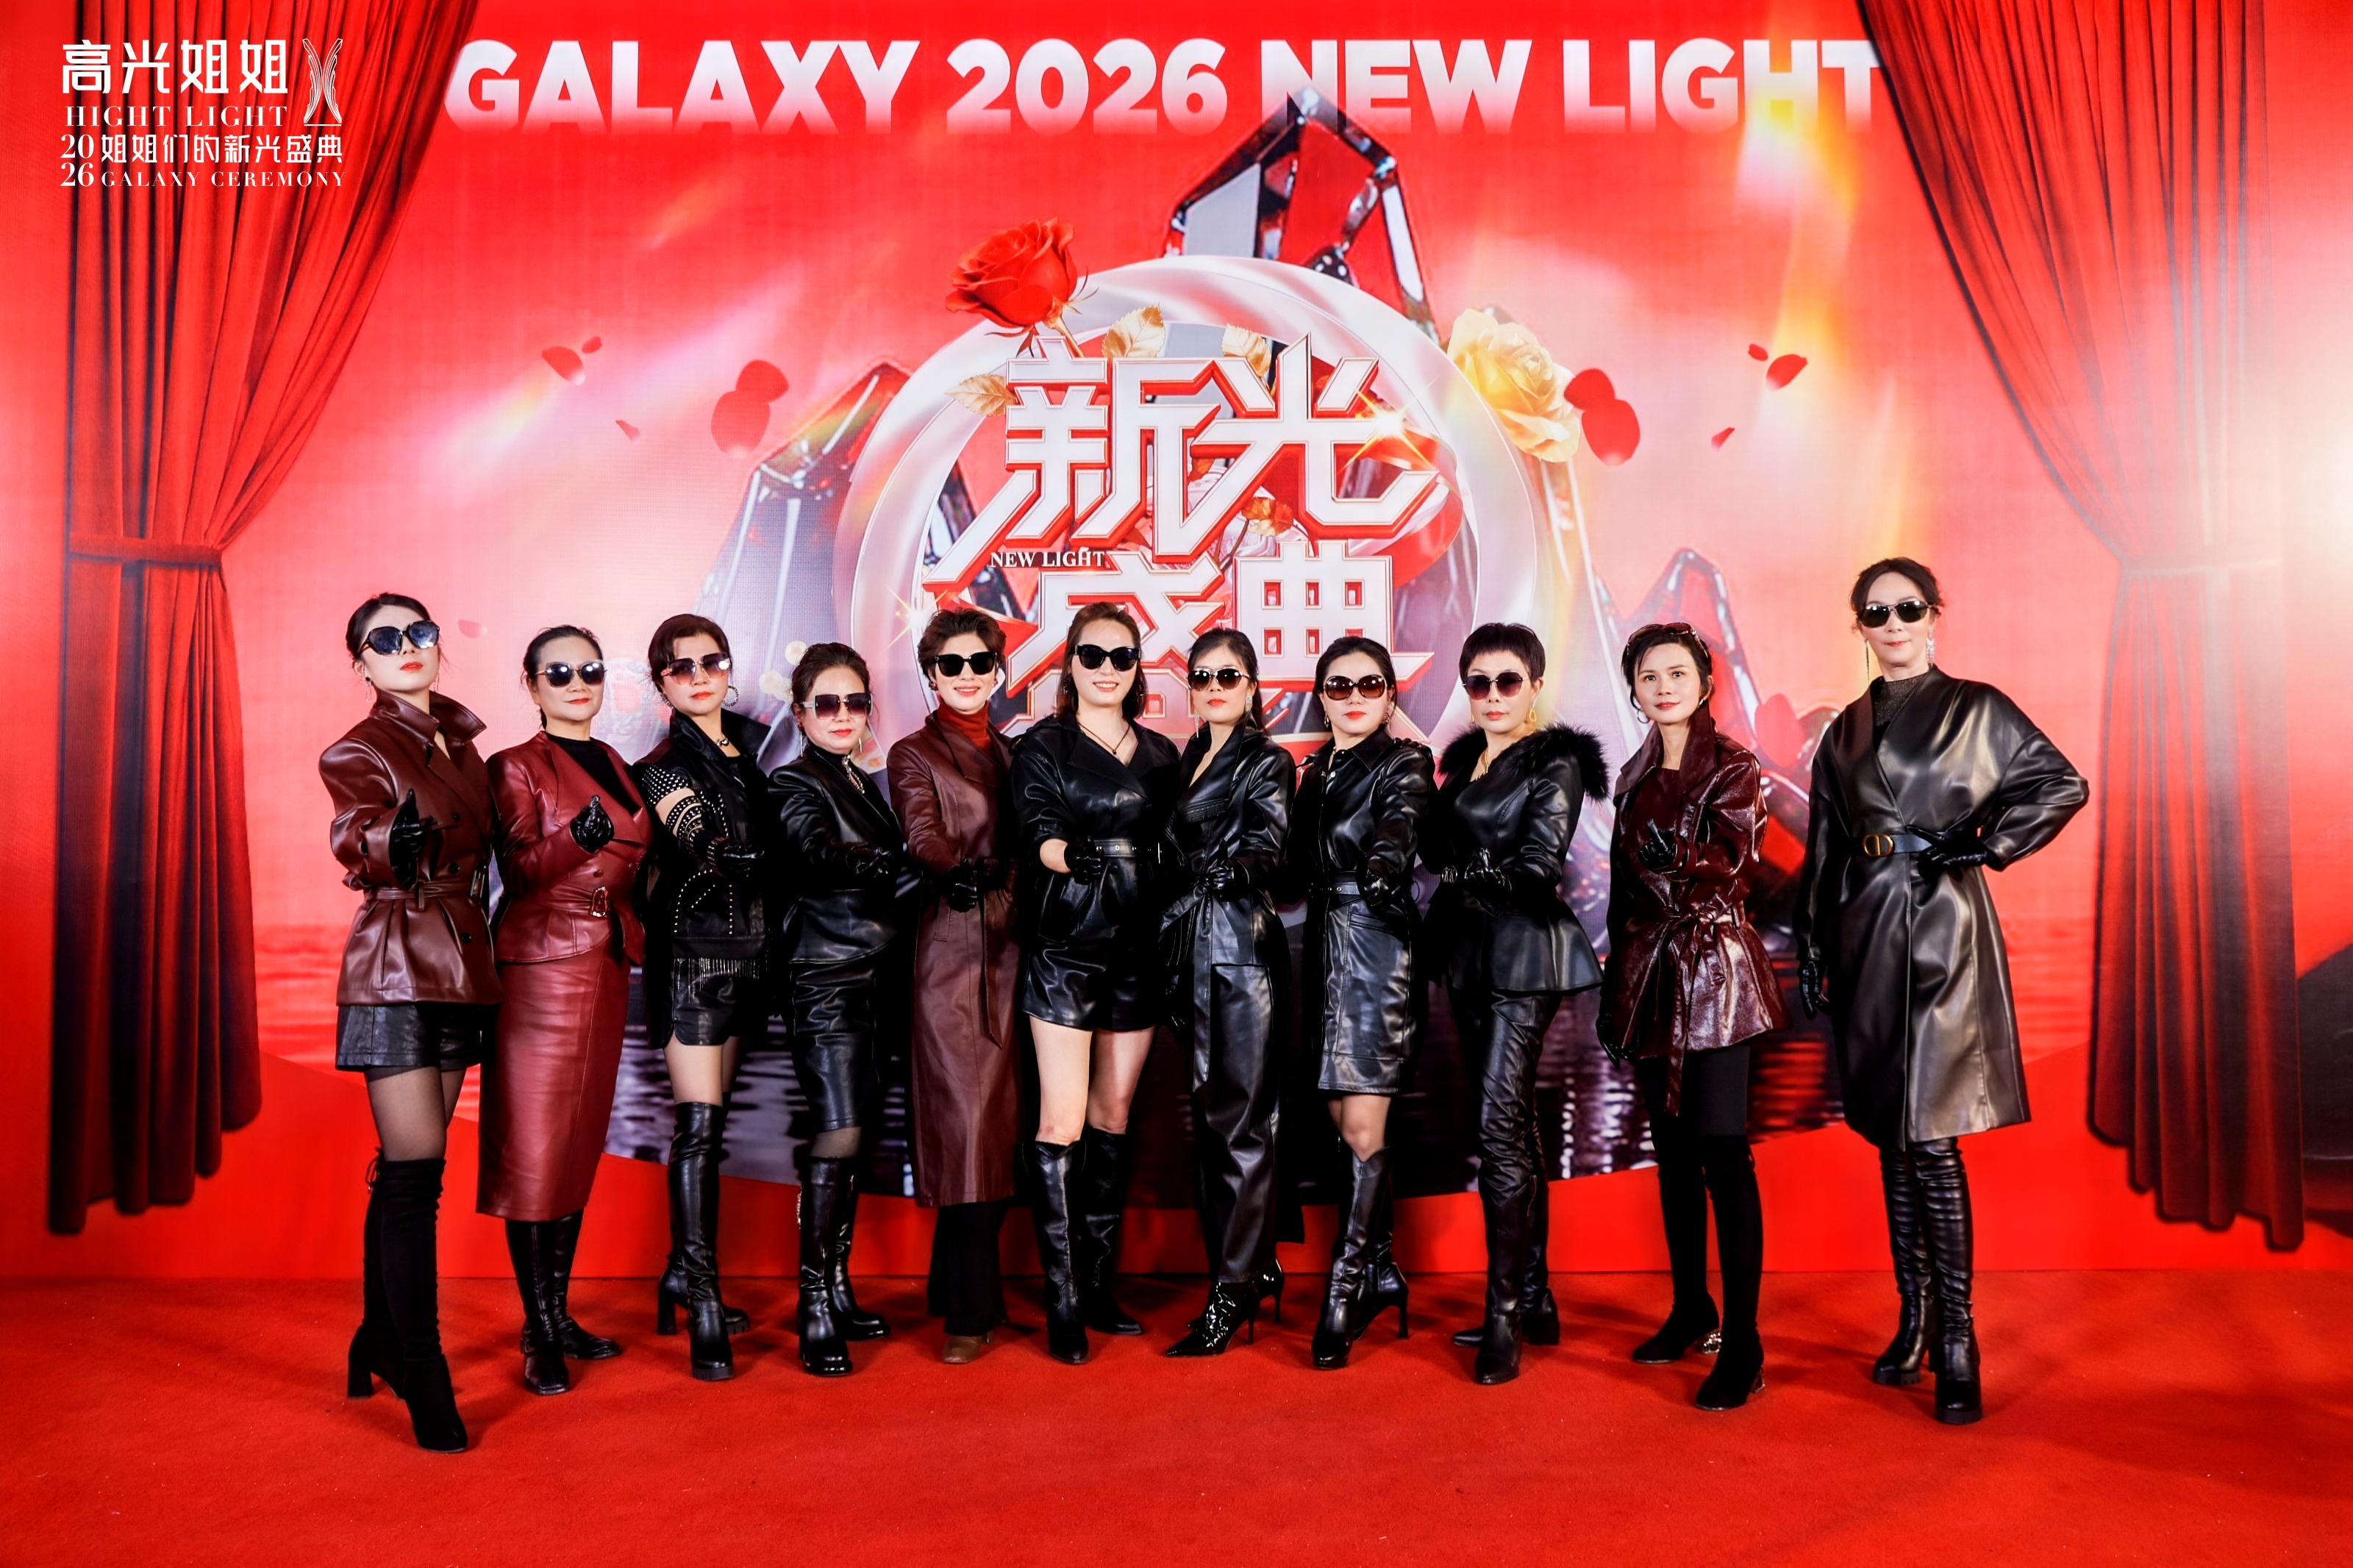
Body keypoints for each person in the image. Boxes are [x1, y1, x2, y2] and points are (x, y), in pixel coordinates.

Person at [1794, 558, 2085, 1425]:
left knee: (1929, 1137)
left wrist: (1986, 844)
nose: (1891, 623)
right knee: (1890, 1134)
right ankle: (1913, 1319)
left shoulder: (1975, 707)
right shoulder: (1841, 731)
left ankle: (1958, 1337)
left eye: (1906, 608)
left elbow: (2059, 783)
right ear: (1857, 626)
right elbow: (1823, 843)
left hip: (1939, 923)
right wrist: (1811, 943)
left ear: (1933, 616)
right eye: (1874, 612)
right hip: (1861, 926)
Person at [323, 593, 499, 1453]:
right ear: (360, 663)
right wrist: (388, 838)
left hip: (460, 964)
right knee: (415, 1170)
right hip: (393, 965)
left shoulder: (465, 746)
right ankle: (421, 1365)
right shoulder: (358, 748)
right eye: (384, 639)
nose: (406, 647)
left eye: (418, 633)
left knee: (409, 1174)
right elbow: (353, 833)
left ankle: (377, 1337)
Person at [1599, 623, 1788, 1411]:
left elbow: (1735, 864)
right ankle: (1690, 1308)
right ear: (1634, 691)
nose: (1664, 687)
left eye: (1678, 673)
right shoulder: (1633, 771)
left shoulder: (1735, 766)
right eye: (1649, 676)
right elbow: (1622, 890)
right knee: (1672, 1154)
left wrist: (1673, 858)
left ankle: (1742, 1343)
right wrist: (1613, 987)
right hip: (1650, 972)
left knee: (1722, 1151)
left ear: (1705, 683)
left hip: (1716, 973)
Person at [1423, 622, 1605, 1386]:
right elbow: (1437, 851)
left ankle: (1503, 1314)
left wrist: (1484, 878)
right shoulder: (1463, 761)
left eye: (1507, 681)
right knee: (1510, 1124)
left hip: (1527, 953)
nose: (1492, 695)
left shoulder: (1554, 758)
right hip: (1468, 953)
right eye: (1478, 682)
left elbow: (1540, 860)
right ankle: (1533, 1296)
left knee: (1499, 1128)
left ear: (1534, 686)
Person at [479, 626, 649, 1396]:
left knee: (576, 1146)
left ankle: (557, 1312)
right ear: (531, 684)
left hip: (607, 965)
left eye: (590, 669)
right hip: (541, 969)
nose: (578, 682)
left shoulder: (614, 759)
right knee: (535, 1148)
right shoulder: (515, 765)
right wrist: (574, 841)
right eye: (559, 672)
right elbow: (517, 872)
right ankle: (539, 1328)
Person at [1010, 603, 1181, 1364]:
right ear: (1069, 663)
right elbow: (1037, 830)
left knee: (1112, 1118)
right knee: (1063, 1121)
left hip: (1139, 947)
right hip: (1067, 945)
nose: (1106, 668)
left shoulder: (1162, 753)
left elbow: (1180, 841)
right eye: (1092, 654)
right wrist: (1071, 856)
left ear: (1137, 667)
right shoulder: (1041, 744)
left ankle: (1098, 1282)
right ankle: (1062, 1298)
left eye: (1121, 656)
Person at [768, 642, 918, 1376]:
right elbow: (810, 851)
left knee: (855, 1138)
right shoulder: (793, 781)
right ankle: (814, 1303)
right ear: (800, 713)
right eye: (825, 703)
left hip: (877, 978)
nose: (841, 715)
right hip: (825, 979)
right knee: (839, 1130)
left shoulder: (861, 781)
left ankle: (835, 1285)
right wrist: (877, 860)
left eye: (854, 702)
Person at [633, 614, 774, 1381]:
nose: (698, 676)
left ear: (729, 666)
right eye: (680, 666)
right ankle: (705, 1298)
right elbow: (689, 826)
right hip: (690, 956)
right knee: (697, 1126)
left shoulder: (758, 749)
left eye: (710, 661)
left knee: (713, 1131)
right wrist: (720, 849)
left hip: (752, 956)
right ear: (661, 681)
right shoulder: (661, 766)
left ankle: (678, 1272)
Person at [1290, 637, 1433, 1370]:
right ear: (1321, 697)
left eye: (1369, 685)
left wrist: (1383, 864)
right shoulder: (1315, 772)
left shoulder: (1404, 762)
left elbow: (1401, 821)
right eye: (1339, 686)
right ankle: (1380, 1268)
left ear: (1389, 697)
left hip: (1377, 943)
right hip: (1321, 943)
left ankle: (1343, 1290)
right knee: (1335, 1117)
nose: (1353, 697)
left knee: (1362, 1120)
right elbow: (1290, 865)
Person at [887, 609, 1023, 1364]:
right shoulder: (913, 753)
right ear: (930, 674)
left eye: (978, 663)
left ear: (998, 671)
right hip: (953, 946)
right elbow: (922, 834)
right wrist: (956, 870)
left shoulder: (1012, 750)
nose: (966, 676)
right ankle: (970, 1313)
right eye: (950, 664)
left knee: (1002, 1127)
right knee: (968, 1127)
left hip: (1018, 946)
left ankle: (950, 1284)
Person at [1158, 629, 1294, 1356]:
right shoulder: (1190, 756)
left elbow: (1269, 846)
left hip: (1240, 950)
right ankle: (1252, 1266)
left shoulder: (1266, 759)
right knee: (1217, 1122)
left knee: (1241, 1121)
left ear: (1251, 685)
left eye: (1228, 675)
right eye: (1202, 675)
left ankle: (1234, 1287)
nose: (1214, 687)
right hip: (1193, 950)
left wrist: (1233, 871)